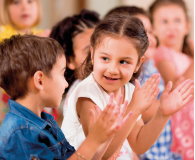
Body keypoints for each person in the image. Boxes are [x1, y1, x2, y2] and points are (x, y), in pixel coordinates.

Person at [61, 14, 194, 160]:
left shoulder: (129, 90)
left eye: (123, 61)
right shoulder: (87, 94)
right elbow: (99, 154)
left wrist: (163, 113)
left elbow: (138, 144)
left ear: (138, 64)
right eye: (105, 58)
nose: (113, 69)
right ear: (92, 55)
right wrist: (134, 109)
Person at [0, 34, 133, 159]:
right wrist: (93, 140)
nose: (65, 84)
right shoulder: (21, 133)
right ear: (40, 80)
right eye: (62, 74)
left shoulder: (44, 121)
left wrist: (106, 134)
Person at [149, 0, 194, 159]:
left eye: (177, 20)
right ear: (153, 28)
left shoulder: (187, 58)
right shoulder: (162, 54)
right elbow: (178, 87)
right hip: (182, 130)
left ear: (187, 26)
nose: (171, 27)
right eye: (164, 21)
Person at [0, 0, 51, 123]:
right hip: (14, 98)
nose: (24, 7)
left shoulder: (41, 34)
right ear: (5, 9)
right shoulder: (3, 37)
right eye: (16, 2)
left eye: (30, 1)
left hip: (40, 96)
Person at [49, 9, 100, 116]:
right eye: (88, 50)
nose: (99, 54)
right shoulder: (83, 94)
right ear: (69, 60)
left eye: (102, 45)